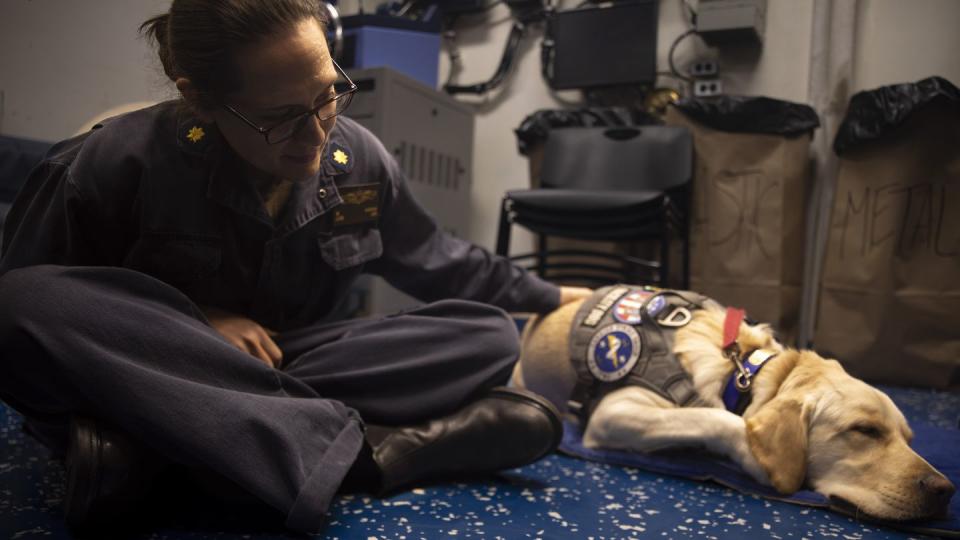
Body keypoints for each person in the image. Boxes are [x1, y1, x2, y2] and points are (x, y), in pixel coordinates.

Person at [0, 0, 592, 533]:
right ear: (200, 97)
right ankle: (372, 453)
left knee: (485, 335)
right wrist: (195, 320)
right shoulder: (109, 162)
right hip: (158, 366)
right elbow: (45, 320)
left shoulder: (358, 158)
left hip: (289, 356)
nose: (315, 133)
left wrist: (554, 294)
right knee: (18, 303)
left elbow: (439, 262)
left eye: (328, 94)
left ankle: (158, 453)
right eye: (280, 116)